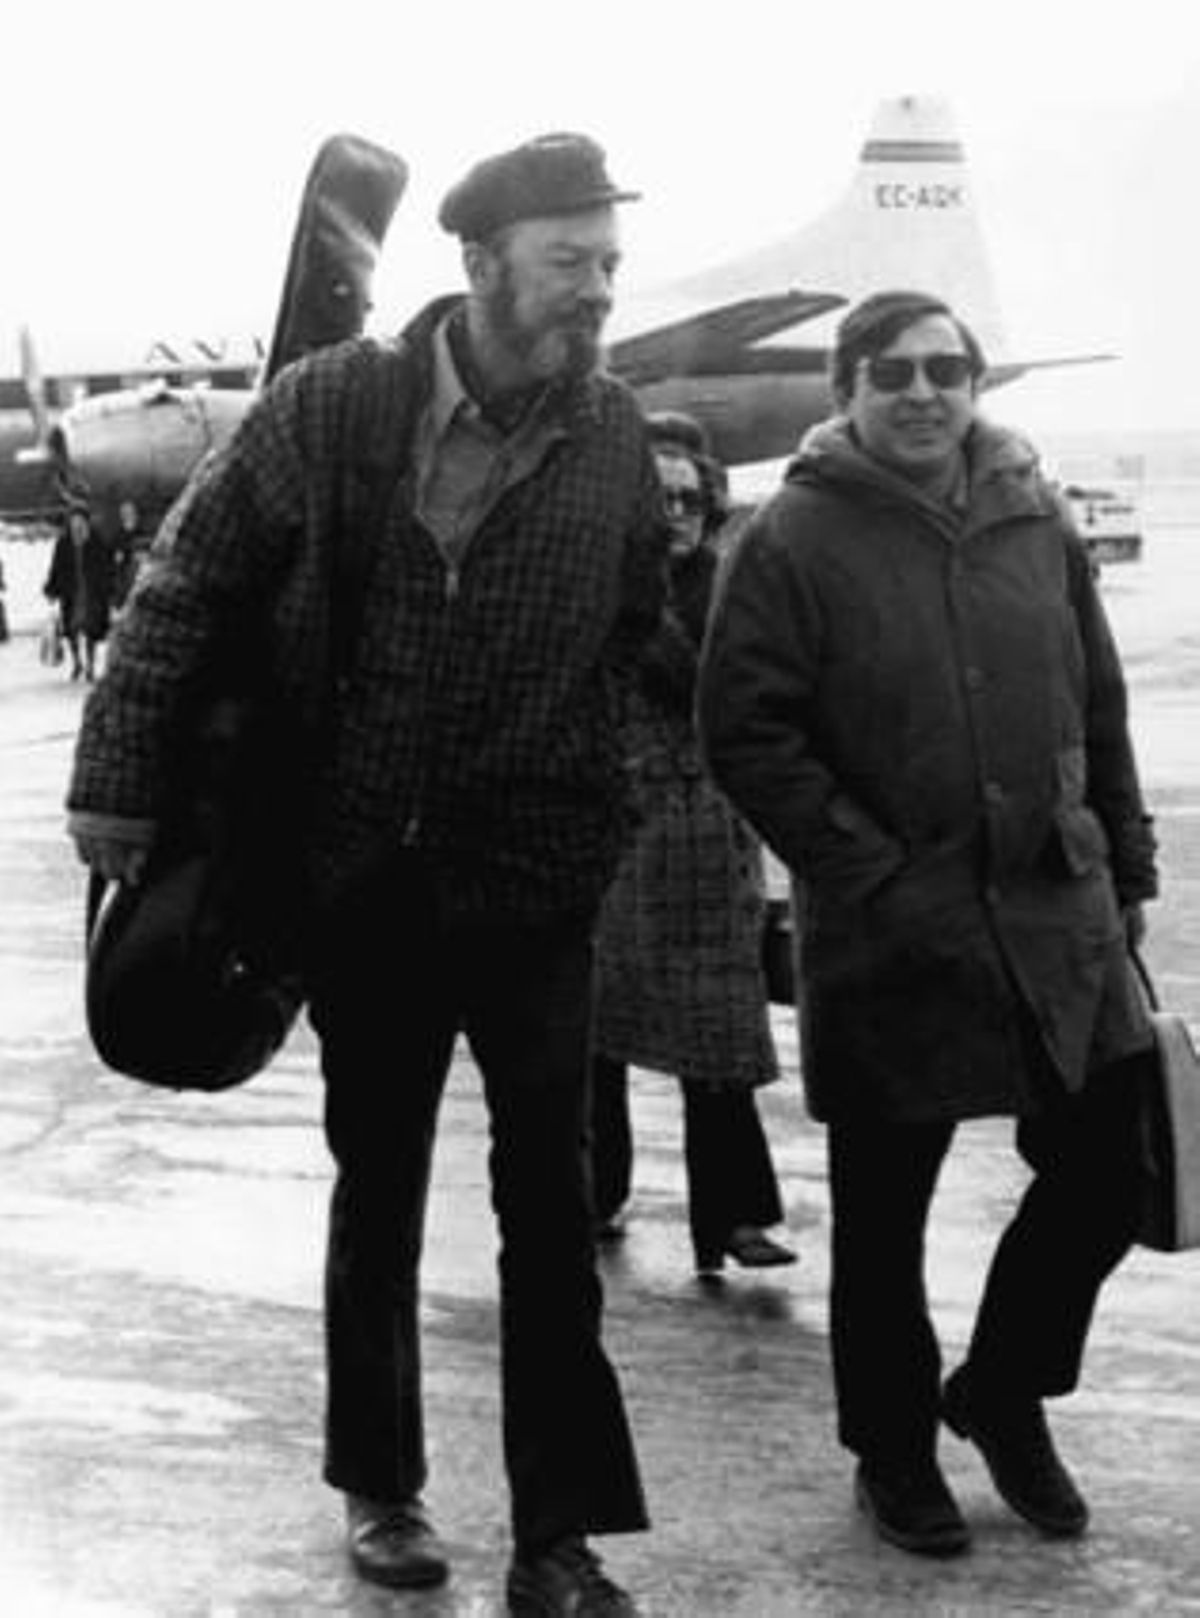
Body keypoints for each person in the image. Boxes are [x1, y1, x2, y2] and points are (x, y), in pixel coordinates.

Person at [66, 132, 666, 1616]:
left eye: (608, 262)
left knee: (552, 1201)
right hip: (364, 887)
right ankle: (382, 1488)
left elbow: (646, 651)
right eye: (568, 261)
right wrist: (118, 786)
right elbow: (183, 588)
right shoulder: (333, 408)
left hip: (533, 885)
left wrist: (613, 803)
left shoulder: (612, 440)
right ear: (480, 265)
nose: (595, 290)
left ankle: (560, 1534)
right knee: (379, 1187)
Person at [698, 290, 1159, 1558]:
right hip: (896, 925)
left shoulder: (1034, 514)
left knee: (1110, 1169)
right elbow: (743, 727)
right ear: (846, 386)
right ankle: (893, 1453)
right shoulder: (791, 535)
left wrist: (1126, 858)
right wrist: (865, 866)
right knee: (887, 1213)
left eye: (945, 369)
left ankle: (1003, 1389)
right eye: (891, 370)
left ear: (975, 383)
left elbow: (1099, 700)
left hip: (1056, 911)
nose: (921, 391)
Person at [590, 412, 796, 1276]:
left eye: (688, 498)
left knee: (722, 1037)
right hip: (615, 837)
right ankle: (593, 1192)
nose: (675, 512)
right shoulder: (594, 591)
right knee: (595, 1036)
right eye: (657, 497)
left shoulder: (736, 593)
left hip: (711, 841)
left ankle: (737, 1218)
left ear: (711, 508)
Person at [43, 502, 114, 680]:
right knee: (72, 631)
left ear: (86, 521)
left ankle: (90, 665)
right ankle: (77, 663)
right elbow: (56, 567)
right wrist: (51, 589)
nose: (76, 523)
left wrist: (109, 588)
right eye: (73, 520)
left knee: (91, 630)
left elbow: (107, 566)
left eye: (79, 519)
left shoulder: (97, 540)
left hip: (92, 592)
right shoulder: (64, 543)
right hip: (71, 592)